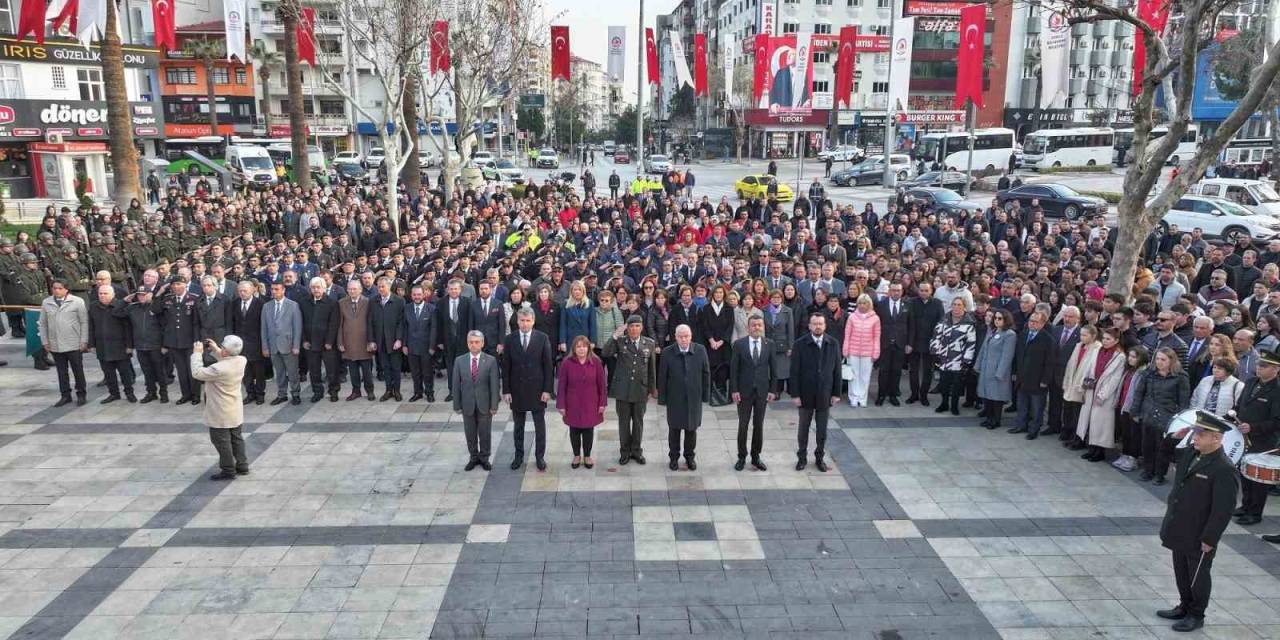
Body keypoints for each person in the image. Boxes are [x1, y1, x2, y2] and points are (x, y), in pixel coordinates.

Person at [1156, 411, 1238, 633]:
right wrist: (1173, 438)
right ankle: (1184, 605)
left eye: (1202, 434)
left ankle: (1196, 614)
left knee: (1198, 576)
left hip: (1199, 533)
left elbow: (1223, 510)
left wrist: (1209, 539)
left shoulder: (1224, 468)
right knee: (1181, 570)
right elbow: (1165, 455)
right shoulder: (1193, 452)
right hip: (1179, 524)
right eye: (1195, 432)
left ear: (1217, 438)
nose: (1196, 437)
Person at [501, 309, 554, 471]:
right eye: (522, 321)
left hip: (537, 389)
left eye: (528, 320)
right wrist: (506, 390)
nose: (525, 324)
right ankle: (518, 456)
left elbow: (548, 366)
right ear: (517, 322)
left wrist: (547, 390)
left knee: (540, 427)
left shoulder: (542, 338)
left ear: (533, 321)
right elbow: (506, 367)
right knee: (518, 426)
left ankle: (540, 457)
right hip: (517, 390)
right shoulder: (509, 339)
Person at [1130, 347, 1192, 485]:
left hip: (1167, 416)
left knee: (1163, 448)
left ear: (1171, 360)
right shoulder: (1149, 373)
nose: (1159, 362)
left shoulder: (1180, 377)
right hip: (1148, 413)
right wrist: (1135, 411)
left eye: (1163, 359)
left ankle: (1160, 474)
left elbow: (1183, 401)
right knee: (1147, 445)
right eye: (1157, 359)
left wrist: (1181, 421)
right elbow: (1139, 393)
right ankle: (1148, 470)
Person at [1233, 349, 1280, 525]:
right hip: (1244, 437)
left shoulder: (1277, 390)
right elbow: (1240, 405)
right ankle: (1245, 505)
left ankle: (1255, 512)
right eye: (1259, 364)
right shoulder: (1252, 382)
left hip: (1263, 441)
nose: (1259, 368)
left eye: (1264, 366)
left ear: (1276, 369)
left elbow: (1277, 421)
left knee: (1258, 479)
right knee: (1245, 473)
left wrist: (1253, 427)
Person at [790, 313, 843, 472]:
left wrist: (836, 393)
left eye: (820, 323)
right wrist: (795, 394)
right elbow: (794, 371)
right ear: (809, 326)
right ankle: (802, 457)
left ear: (825, 325)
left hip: (824, 393)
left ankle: (819, 457)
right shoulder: (800, 344)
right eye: (815, 324)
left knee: (822, 429)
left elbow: (837, 371)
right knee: (803, 428)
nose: (818, 326)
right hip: (805, 393)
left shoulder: (833, 343)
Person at [191, 335, 248, 481]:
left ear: (226, 351)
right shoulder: (241, 360)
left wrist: (197, 353)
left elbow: (197, 373)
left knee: (222, 441)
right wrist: (217, 350)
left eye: (223, 348)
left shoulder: (217, 369)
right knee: (236, 438)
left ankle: (228, 470)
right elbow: (227, 360)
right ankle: (242, 465)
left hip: (220, 411)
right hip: (234, 409)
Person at [602, 315, 657, 465]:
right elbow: (605, 353)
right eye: (631, 326)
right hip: (623, 389)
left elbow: (651, 368)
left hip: (640, 389)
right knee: (624, 422)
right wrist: (614, 336)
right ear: (627, 328)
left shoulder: (649, 343)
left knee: (638, 422)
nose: (634, 329)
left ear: (642, 327)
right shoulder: (620, 342)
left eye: (637, 326)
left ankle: (637, 451)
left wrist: (652, 389)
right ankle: (625, 452)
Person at [658, 324, 710, 471]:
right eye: (680, 336)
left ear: (691, 336)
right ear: (675, 337)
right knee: (674, 430)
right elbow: (662, 377)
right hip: (675, 398)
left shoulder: (700, 350)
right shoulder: (668, 352)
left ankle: (689, 457)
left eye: (686, 336)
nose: (683, 339)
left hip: (693, 398)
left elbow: (706, 373)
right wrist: (662, 398)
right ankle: (673, 458)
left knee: (691, 430)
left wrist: (705, 395)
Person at [729, 315, 776, 471]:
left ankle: (756, 457)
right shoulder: (739, 345)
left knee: (759, 425)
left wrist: (772, 390)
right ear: (748, 328)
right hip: (744, 392)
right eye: (754, 325)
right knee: (743, 425)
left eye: (759, 325)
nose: (757, 327)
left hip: (762, 391)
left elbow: (773, 370)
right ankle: (741, 456)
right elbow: (734, 369)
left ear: (763, 327)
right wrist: (734, 390)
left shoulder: (770, 344)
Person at [1074, 328, 1127, 462]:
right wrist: (1084, 384)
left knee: (1101, 424)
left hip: (1105, 395)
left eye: (1109, 339)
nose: (1105, 341)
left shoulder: (1119, 356)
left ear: (1116, 340)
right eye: (1104, 338)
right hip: (1091, 389)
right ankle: (1091, 448)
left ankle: (1100, 451)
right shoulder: (1097, 350)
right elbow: (1089, 368)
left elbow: (1115, 379)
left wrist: (1103, 395)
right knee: (1089, 420)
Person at [557, 335, 608, 469]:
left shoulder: (596, 362)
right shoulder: (567, 363)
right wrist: (561, 405)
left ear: (588, 348)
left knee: (588, 430)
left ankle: (587, 455)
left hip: (591, 402)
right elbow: (561, 385)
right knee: (574, 429)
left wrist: (602, 403)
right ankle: (576, 455)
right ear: (573, 348)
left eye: (584, 346)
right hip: (572, 402)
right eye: (578, 346)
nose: (581, 349)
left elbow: (602, 385)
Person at [453, 330, 500, 471]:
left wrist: (494, 405)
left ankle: (484, 458)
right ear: (467, 343)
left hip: (484, 404)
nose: (474, 345)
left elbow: (494, 385)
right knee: (470, 433)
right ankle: (473, 457)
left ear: (482, 343)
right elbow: (455, 384)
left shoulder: (490, 361)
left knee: (485, 433)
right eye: (471, 342)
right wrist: (457, 404)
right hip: (467, 404)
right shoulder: (459, 361)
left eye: (477, 342)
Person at [39, 279, 89, 407]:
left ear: (66, 289)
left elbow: (84, 322)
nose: (56, 290)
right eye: (54, 288)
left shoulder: (77, 302)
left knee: (78, 370)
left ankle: (81, 394)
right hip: (55, 344)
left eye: (60, 288)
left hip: (73, 343)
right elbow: (43, 324)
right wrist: (45, 341)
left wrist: (84, 340)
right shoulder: (47, 302)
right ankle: (65, 395)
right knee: (61, 372)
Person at [87, 284, 137, 404]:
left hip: (120, 346)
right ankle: (114, 394)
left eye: (105, 293)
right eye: (100, 293)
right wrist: (91, 344)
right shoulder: (94, 307)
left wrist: (130, 345)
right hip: (102, 346)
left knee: (125, 373)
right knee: (108, 373)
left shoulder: (120, 306)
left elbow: (128, 328)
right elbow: (91, 326)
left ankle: (129, 393)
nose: (102, 296)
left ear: (113, 294)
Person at [930, 297, 977, 416]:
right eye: (954, 304)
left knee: (956, 386)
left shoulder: (969, 324)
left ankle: (954, 406)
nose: (956, 307)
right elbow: (936, 336)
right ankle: (944, 403)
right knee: (944, 383)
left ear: (964, 307)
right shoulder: (944, 320)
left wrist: (966, 360)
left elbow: (971, 344)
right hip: (943, 358)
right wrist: (935, 352)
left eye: (959, 305)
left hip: (958, 360)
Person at [1011, 311, 1053, 439]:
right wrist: (1014, 372)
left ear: (1042, 324)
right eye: (1030, 321)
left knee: (1037, 407)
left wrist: (1045, 380)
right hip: (1022, 377)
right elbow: (1017, 356)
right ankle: (1021, 425)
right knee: (1022, 403)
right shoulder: (1023, 335)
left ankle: (1034, 429)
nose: (1032, 324)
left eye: (1035, 322)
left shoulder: (1048, 339)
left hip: (1037, 379)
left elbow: (1049, 362)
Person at [299, 276, 341, 403]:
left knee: (332, 370)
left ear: (324, 288)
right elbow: (301, 323)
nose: (316, 290)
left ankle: (333, 391)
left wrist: (329, 342)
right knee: (314, 370)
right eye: (313, 287)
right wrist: (304, 340)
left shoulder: (332, 302)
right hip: (311, 343)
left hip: (327, 344)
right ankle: (317, 392)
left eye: (318, 287)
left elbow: (334, 324)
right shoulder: (304, 302)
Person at [261, 281, 303, 405]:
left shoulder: (293, 305)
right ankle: (281, 394)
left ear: (283, 290)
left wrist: (296, 345)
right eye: (272, 289)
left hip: (288, 345)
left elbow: (297, 327)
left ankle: (295, 393)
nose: (274, 292)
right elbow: (263, 328)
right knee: (278, 372)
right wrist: (265, 346)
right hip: (273, 345)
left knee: (293, 372)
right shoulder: (266, 306)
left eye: (277, 289)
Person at [976, 308, 1017, 429]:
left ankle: (996, 420)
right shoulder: (992, 331)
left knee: (997, 397)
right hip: (986, 369)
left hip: (997, 371)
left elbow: (1007, 356)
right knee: (987, 395)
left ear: (1006, 320)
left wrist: (1000, 372)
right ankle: (989, 418)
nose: (997, 320)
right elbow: (983, 349)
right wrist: (978, 365)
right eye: (995, 318)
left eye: (1000, 318)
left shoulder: (1010, 334)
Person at [337, 280, 375, 401]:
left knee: (367, 371)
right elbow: (339, 324)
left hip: (364, 342)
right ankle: (356, 391)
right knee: (353, 371)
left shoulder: (368, 302)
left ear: (360, 290)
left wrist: (371, 341)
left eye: (354, 289)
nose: (352, 291)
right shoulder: (341, 303)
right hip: (349, 343)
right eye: (350, 289)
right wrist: (340, 342)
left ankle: (370, 391)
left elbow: (372, 323)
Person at [437, 280, 474, 402]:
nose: (453, 291)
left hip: (463, 341)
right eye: (451, 289)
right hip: (448, 341)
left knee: (464, 367)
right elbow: (439, 324)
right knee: (451, 367)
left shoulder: (467, 302)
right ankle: (452, 392)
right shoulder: (441, 303)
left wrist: (470, 339)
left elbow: (470, 322)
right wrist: (440, 340)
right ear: (447, 289)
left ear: (460, 289)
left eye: (456, 289)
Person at [369, 277, 405, 401]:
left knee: (395, 367)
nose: (381, 289)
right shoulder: (373, 301)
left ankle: (397, 391)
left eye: (383, 286)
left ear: (389, 287)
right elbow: (370, 322)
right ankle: (388, 390)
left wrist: (399, 339)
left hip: (394, 341)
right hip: (380, 341)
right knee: (385, 367)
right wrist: (372, 340)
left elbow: (401, 322)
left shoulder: (399, 301)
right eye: (379, 287)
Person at [230, 281, 266, 405]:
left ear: (252, 290)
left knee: (259, 371)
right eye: (240, 291)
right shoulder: (234, 304)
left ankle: (260, 394)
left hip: (257, 343)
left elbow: (264, 325)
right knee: (245, 372)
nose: (242, 293)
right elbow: (232, 323)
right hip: (240, 345)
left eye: (245, 290)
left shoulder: (261, 304)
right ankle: (250, 393)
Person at [842, 294, 880, 407]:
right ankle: (853, 397)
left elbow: (876, 337)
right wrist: (845, 349)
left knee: (865, 376)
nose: (862, 305)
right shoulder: (852, 317)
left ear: (869, 304)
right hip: (853, 351)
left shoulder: (875, 318)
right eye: (860, 303)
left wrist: (876, 352)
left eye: (865, 303)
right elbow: (847, 334)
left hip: (868, 352)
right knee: (853, 376)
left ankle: (862, 398)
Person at [875, 283, 909, 406]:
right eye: (893, 290)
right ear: (889, 291)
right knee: (883, 371)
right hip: (884, 343)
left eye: (898, 290)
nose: (896, 293)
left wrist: (909, 343)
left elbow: (910, 325)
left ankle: (893, 395)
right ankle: (881, 395)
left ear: (902, 291)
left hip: (900, 343)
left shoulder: (908, 305)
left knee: (896, 371)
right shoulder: (880, 305)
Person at [403, 285, 437, 402]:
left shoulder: (431, 309)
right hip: (411, 346)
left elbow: (434, 329)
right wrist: (404, 345)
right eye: (414, 295)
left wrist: (432, 346)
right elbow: (404, 328)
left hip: (426, 347)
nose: (417, 297)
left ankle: (429, 393)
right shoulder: (407, 308)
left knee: (427, 372)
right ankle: (418, 393)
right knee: (415, 372)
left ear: (423, 295)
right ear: (411, 295)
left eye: (419, 294)